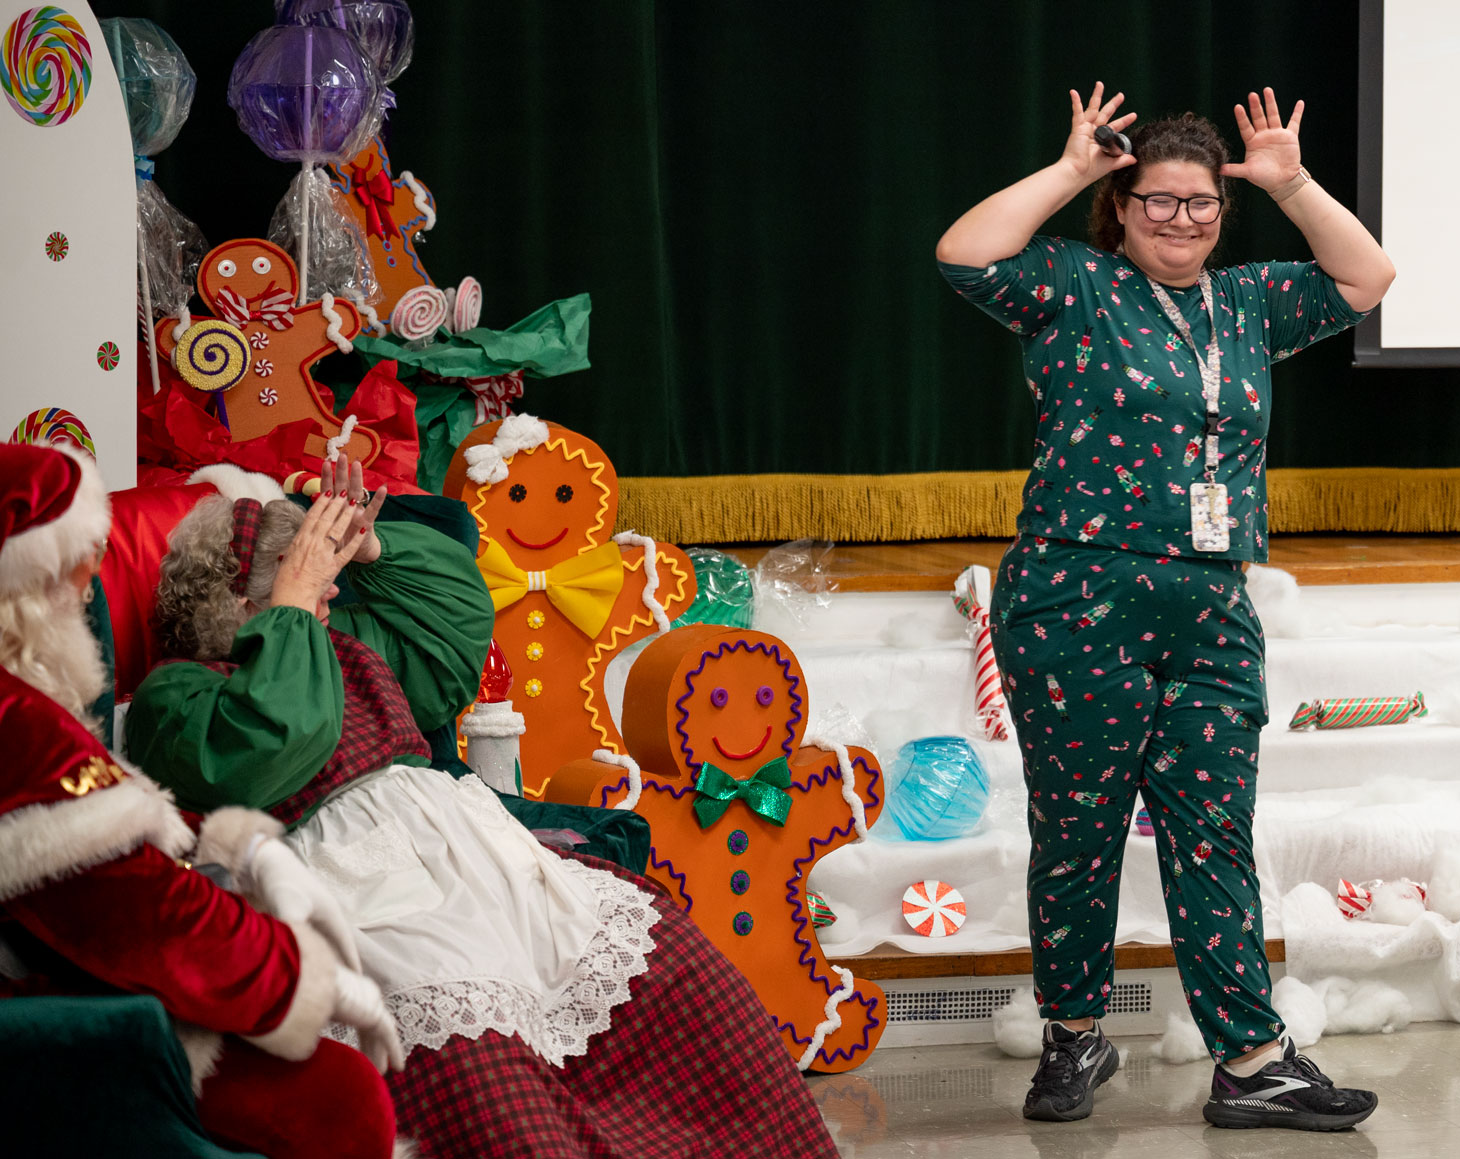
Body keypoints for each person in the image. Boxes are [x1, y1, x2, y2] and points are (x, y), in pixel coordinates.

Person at [126, 458, 837, 1158]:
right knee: (482, 1059)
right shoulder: (177, 693)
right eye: (311, 582)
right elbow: (281, 734)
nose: (330, 592)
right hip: (370, 896)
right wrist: (293, 606)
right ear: (241, 606)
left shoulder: (340, 641)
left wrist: (372, 550)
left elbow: (460, 622)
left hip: (485, 867)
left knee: (686, 981)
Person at [937, 85, 1396, 1130]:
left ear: (1222, 213)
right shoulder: (1072, 284)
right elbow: (964, 254)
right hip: (1077, 597)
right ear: (1122, 205)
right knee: (1078, 831)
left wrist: (1291, 183)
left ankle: (1251, 1059)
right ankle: (1073, 1034)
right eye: (1157, 200)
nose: (1180, 219)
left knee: (1212, 833)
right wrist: (1070, 169)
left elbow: (1367, 276)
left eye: (1200, 202)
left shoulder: (1252, 301)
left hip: (1211, 605)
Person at [0, 442, 402, 1158]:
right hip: (45, 1017)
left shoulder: (27, 704)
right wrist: (300, 975)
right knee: (339, 1100)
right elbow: (136, 910)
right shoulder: (27, 719)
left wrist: (240, 853)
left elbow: (103, 839)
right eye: (77, 569)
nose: (91, 593)